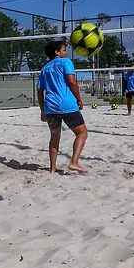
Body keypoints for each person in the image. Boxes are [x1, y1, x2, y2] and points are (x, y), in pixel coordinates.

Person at [36, 41, 88, 174]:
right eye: (64, 50)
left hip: (50, 106)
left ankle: (52, 169)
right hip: (66, 104)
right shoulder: (65, 62)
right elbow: (71, 81)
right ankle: (74, 162)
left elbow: (39, 90)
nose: (66, 52)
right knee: (82, 133)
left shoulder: (45, 68)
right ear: (57, 52)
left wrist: (42, 109)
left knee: (54, 137)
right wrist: (79, 99)